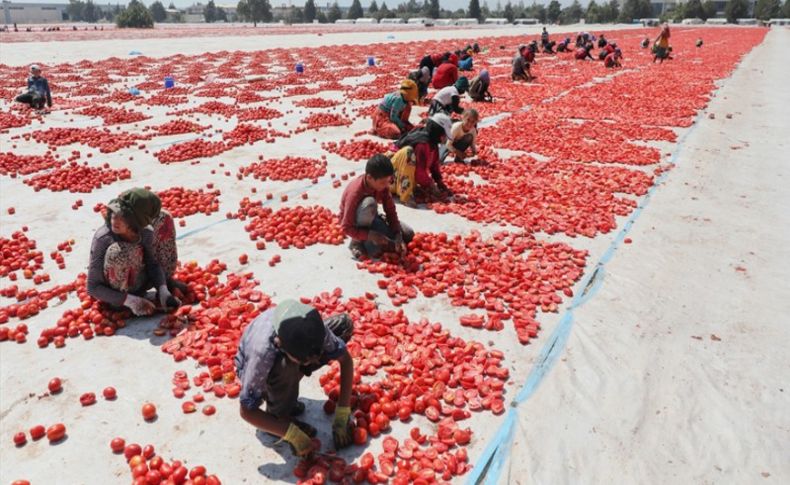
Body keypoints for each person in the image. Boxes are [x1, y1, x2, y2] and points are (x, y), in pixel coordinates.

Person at [236, 299, 355, 457]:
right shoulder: (262, 354)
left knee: (343, 326)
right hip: (258, 370)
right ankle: (278, 415)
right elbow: (246, 411)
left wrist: (343, 412)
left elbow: (345, 359)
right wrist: (290, 433)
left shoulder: (314, 328)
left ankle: (288, 390)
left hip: (293, 348)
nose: (312, 363)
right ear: (281, 346)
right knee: (286, 367)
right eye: (304, 361)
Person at [87, 188, 183, 316]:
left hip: (139, 275)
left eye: (123, 216)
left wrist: (162, 290)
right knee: (119, 252)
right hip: (118, 289)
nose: (115, 219)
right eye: (115, 212)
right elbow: (93, 287)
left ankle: (165, 282)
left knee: (165, 218)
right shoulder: (103, 238)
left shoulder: (146, 232)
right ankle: (121, 305)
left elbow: (152, 263)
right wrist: (130, 301)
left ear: (137, 223)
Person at [339, 154, 414, 259]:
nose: (387, 185)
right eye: (383, 182)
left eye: (388, 181)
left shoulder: (383, 186)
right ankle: (356, 242)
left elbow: (390, 211)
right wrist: (370, 235)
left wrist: (398, 234)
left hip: (372, 217)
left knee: (408, 235)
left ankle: (374, 231)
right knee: (370, 203)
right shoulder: (355, 192)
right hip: (355, 223)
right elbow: (345, 227)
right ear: (369, 177)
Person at [390, 113, 453, 205]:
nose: (444, 138)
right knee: (409, 152)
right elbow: (419, 172)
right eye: (444, 135)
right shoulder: (422, 143)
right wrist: (431, 185)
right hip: (390, 175)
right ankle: (405, 196)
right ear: (437, 131)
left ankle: (408, 187)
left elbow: (434, 166)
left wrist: (439, 182)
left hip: (401, 173)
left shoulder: (432, 143)